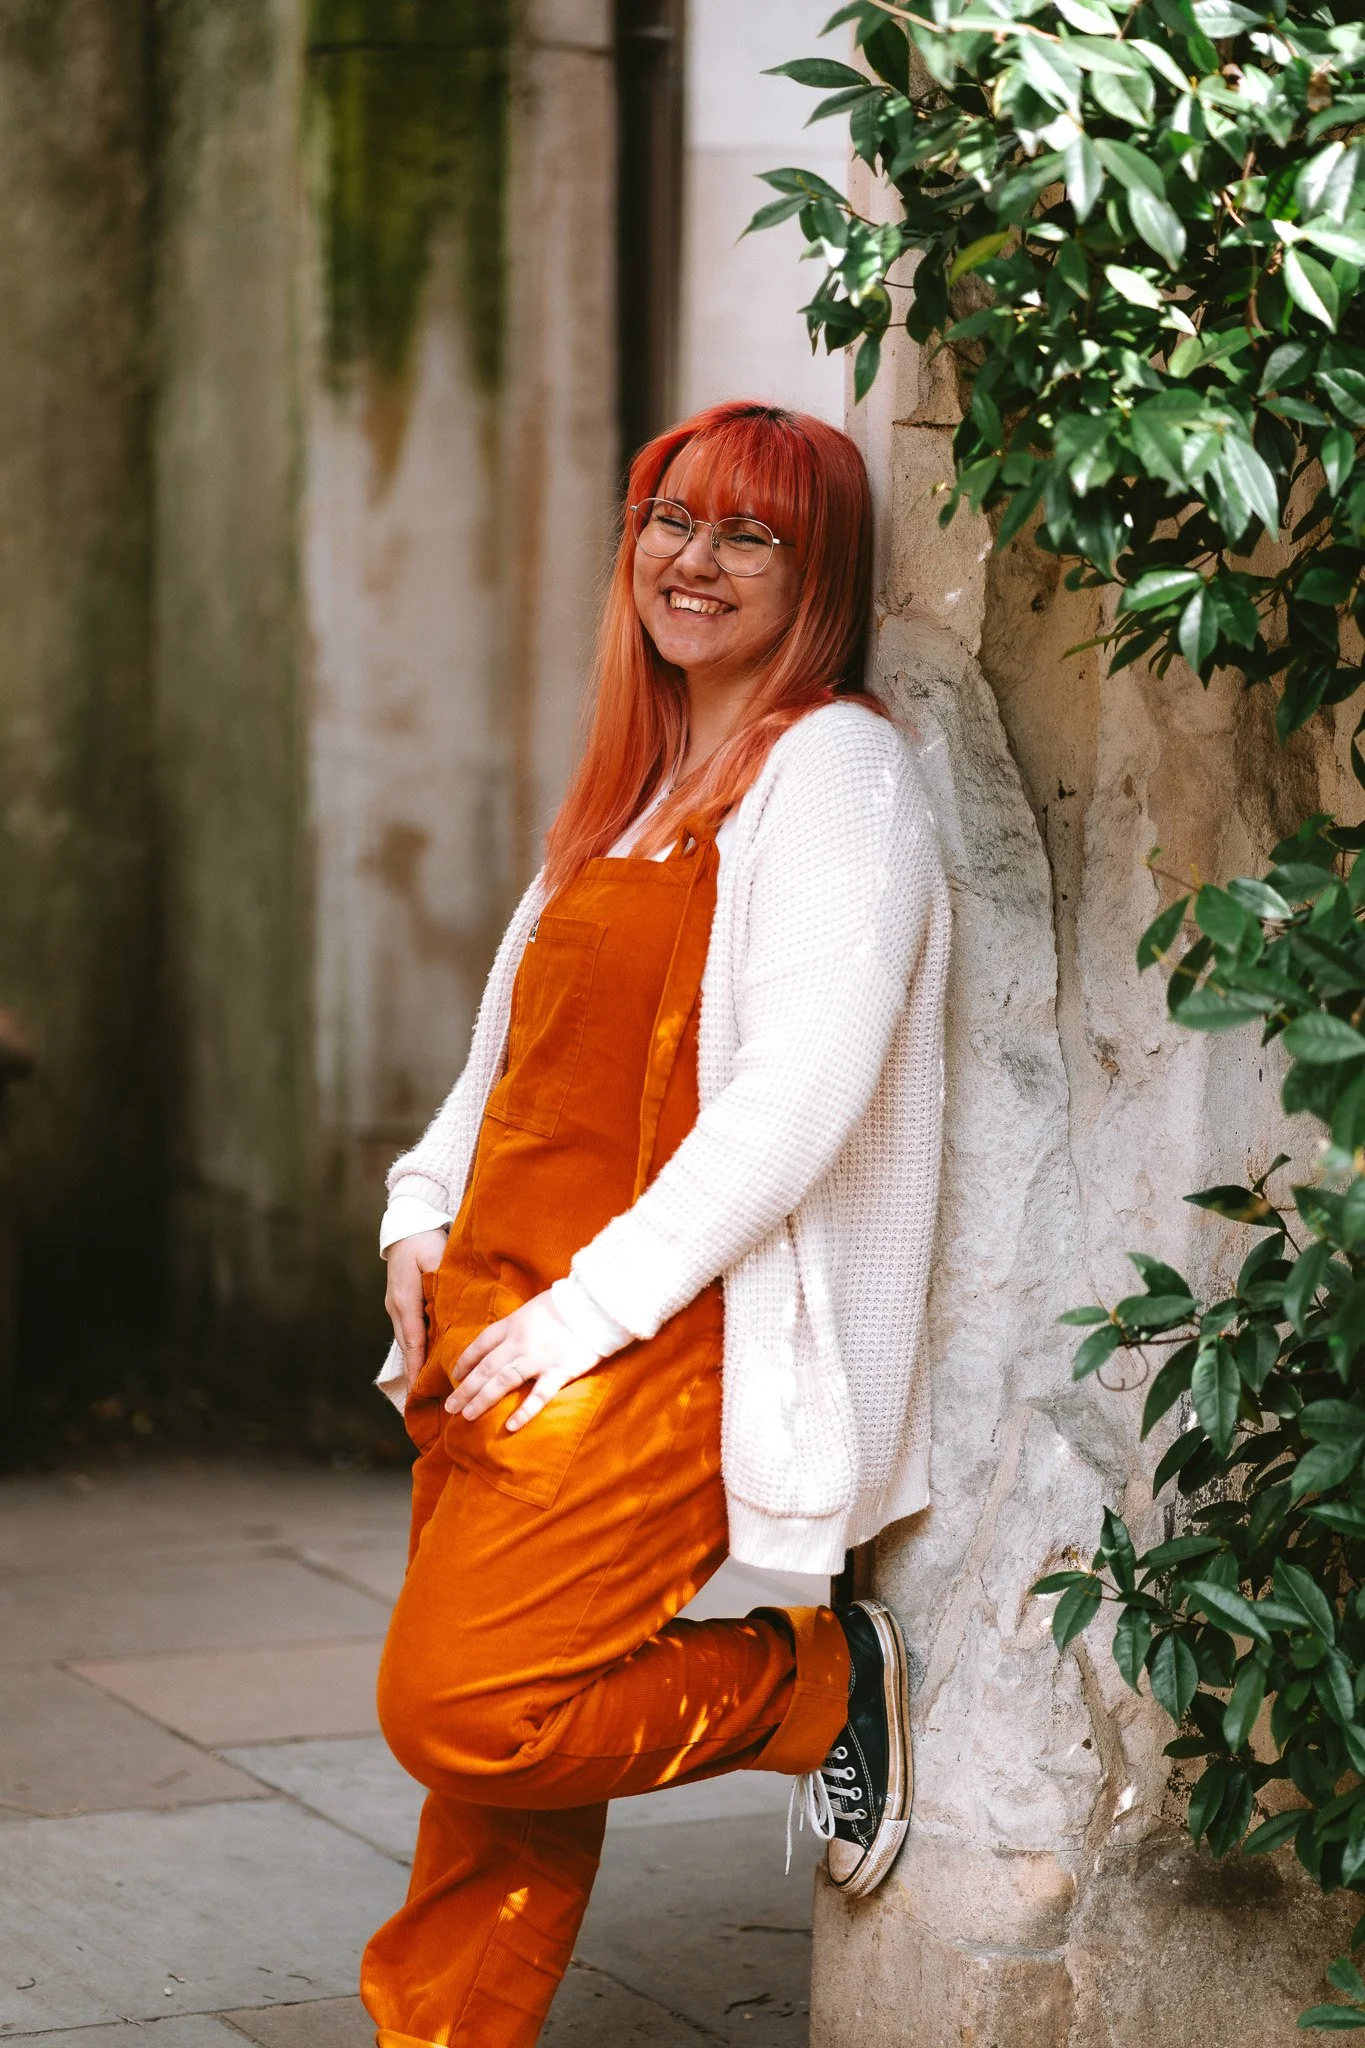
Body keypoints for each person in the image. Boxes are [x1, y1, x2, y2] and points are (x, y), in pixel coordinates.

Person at [362, 399, 950, 2048]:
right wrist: (417, 1214)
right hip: (495, 1306)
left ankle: (816, 1683)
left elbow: (797, 1098)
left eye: (752, 533)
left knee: (472, 1705)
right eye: (673, 519)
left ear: (819, 573)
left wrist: (584, 1313)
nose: (697, 558)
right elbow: (505, 1055)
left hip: (655, 1328)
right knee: (492, 1770)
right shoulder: (636, 784)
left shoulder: (836, 771)